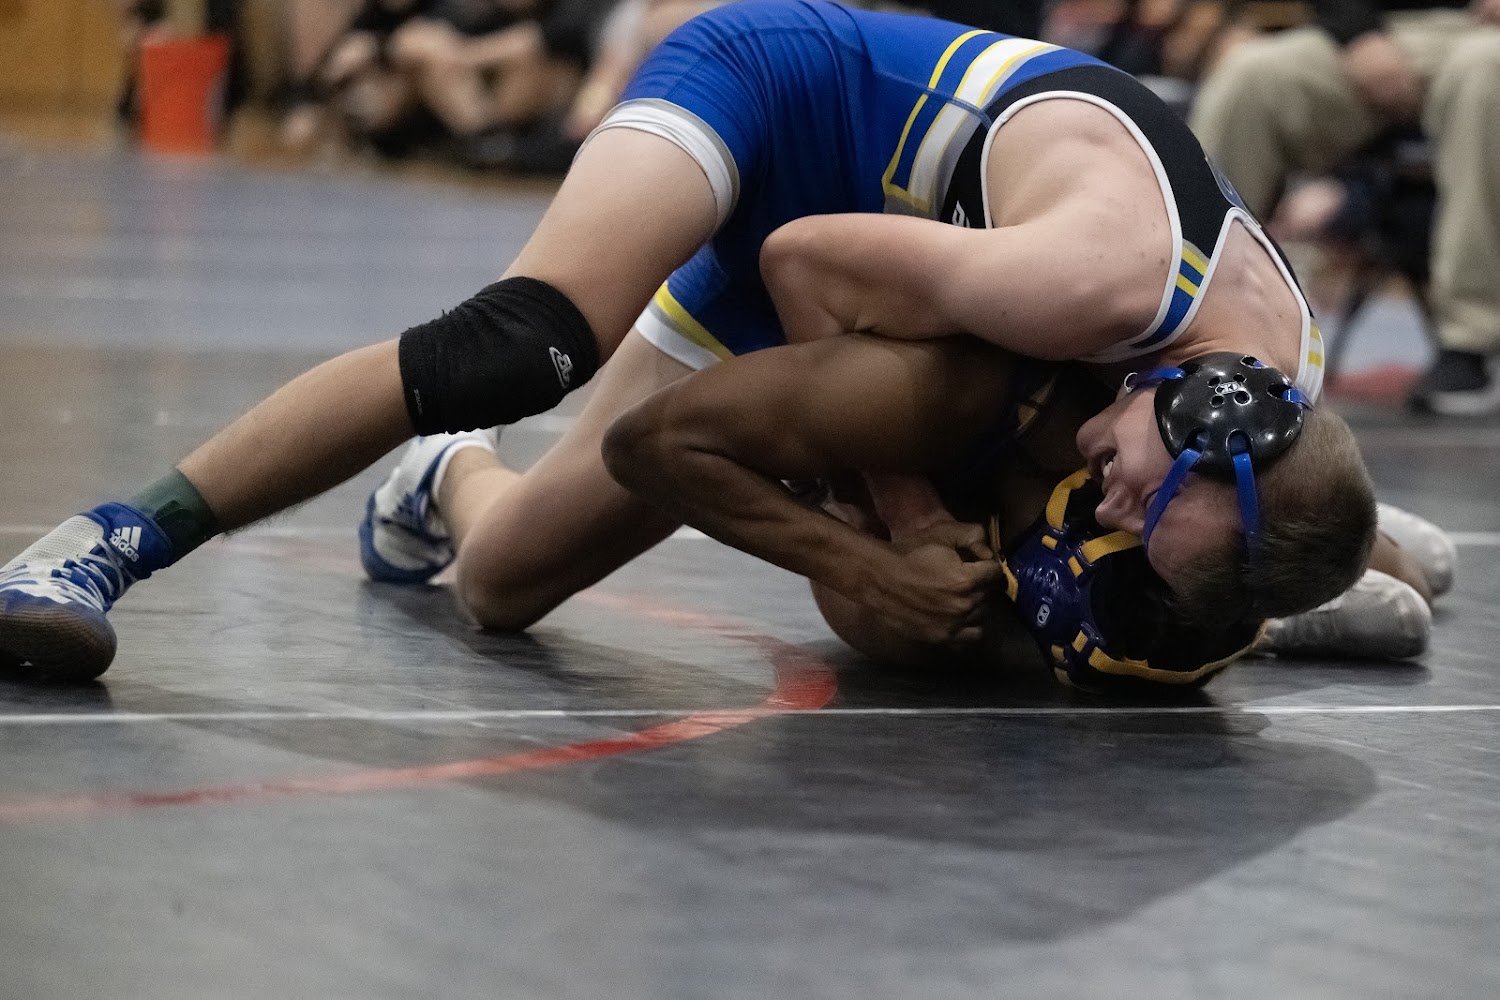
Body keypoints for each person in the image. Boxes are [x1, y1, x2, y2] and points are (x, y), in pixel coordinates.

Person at [0, 0, 1375, 683]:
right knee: (523, 344)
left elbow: (1273, 512)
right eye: (1149, 499)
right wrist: (888, 515)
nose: (1116, 504)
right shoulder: (1100, 291)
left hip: (911, 262)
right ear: (1208, 413)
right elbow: (804, 259)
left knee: (503, 585)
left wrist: (1289, 586)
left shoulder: (1260, 406)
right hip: (782, 110)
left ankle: (444, 478)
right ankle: (107, 540)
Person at [1187, 0, 1500, 415]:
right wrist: (1358, 35)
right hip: (1387, 29)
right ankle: (1198, 316)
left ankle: (1471, 342)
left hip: (1480, 32)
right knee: (1248, 75)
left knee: (1485, 67)